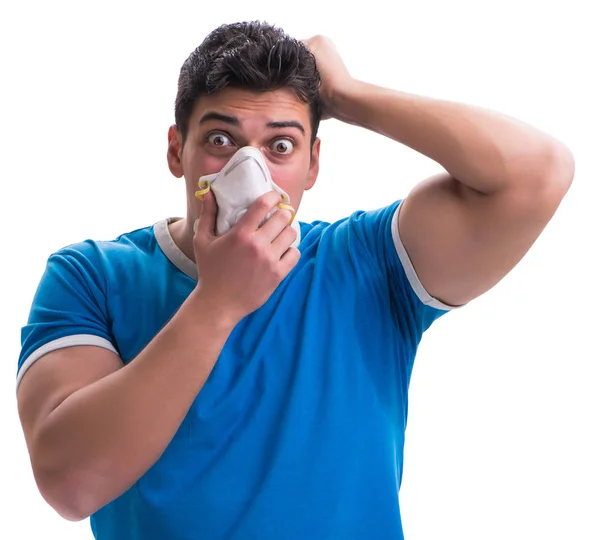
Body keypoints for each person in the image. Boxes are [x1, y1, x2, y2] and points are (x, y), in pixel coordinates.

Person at [15, 20, 574, 540]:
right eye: (221, 140)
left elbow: (538, 172)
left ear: (312, 164)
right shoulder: (91, 275)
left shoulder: (369, 263)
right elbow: (71, 483)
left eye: (280, 145)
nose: (249, 170)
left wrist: (351, 96)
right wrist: (218, 303)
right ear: (175, 151)